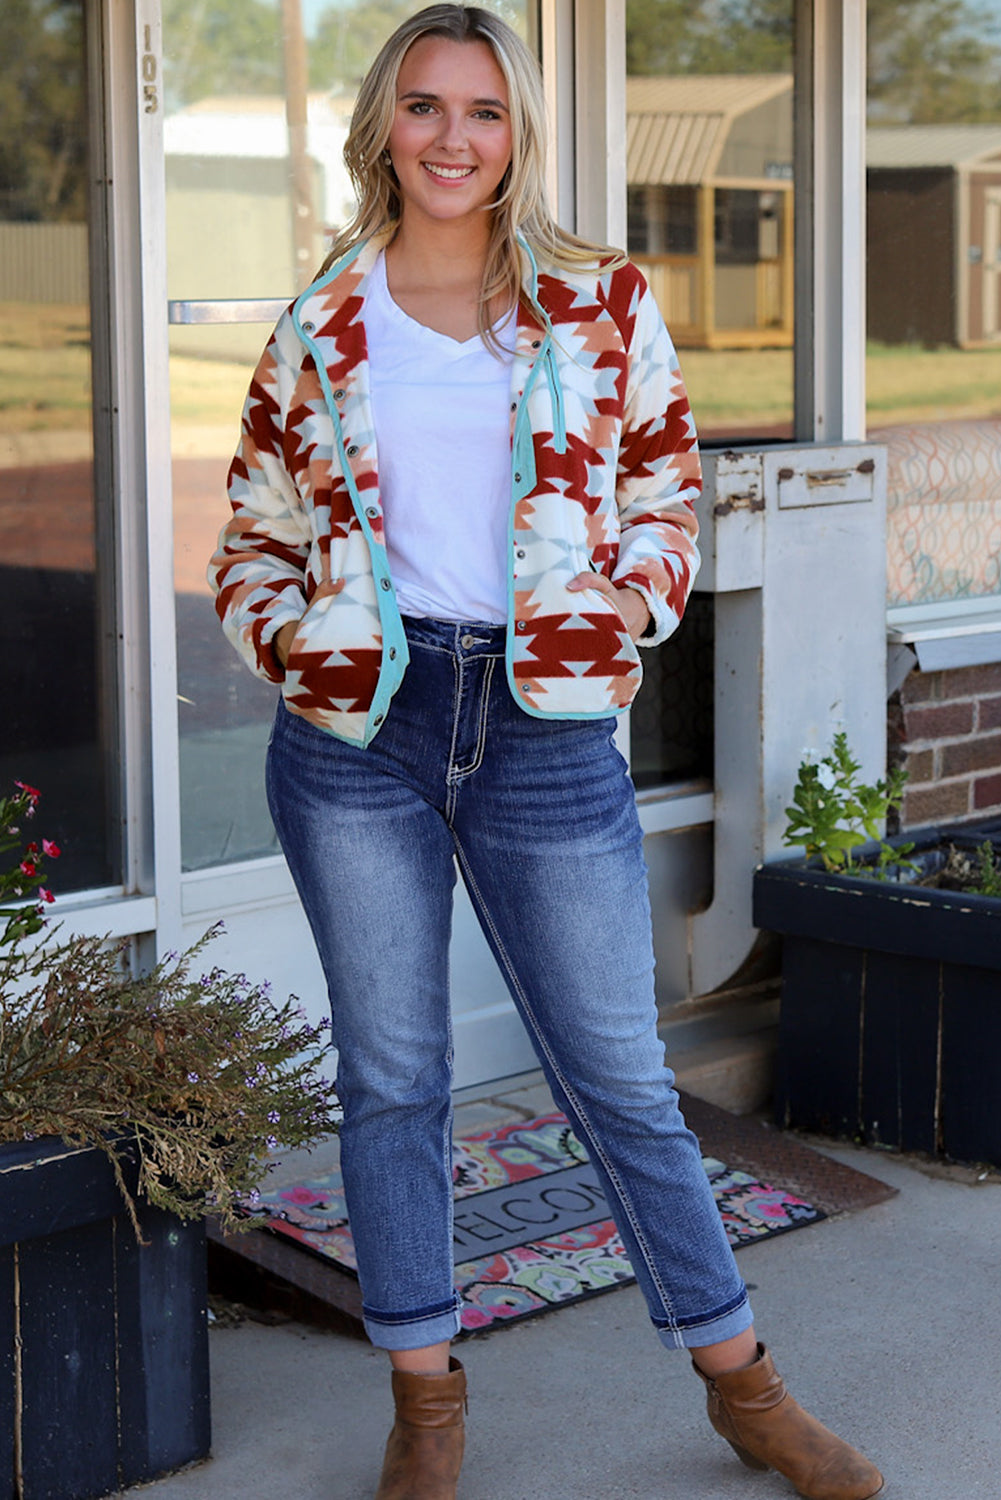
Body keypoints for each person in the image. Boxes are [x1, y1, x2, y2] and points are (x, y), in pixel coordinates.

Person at [209, 8, 884, 1499]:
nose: (454, 138)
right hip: (357, 739)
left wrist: (607, 618)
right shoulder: (318, 325)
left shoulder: (597, 301)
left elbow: (665, 500)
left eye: (486, 113)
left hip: (547, 725)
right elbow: (250, 537)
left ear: (519, 137)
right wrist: (299, 644)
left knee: (619, 1074)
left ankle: (742, 1384)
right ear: (384, 122)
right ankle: (426, 1406)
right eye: (427, 107)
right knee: (392, 1080)